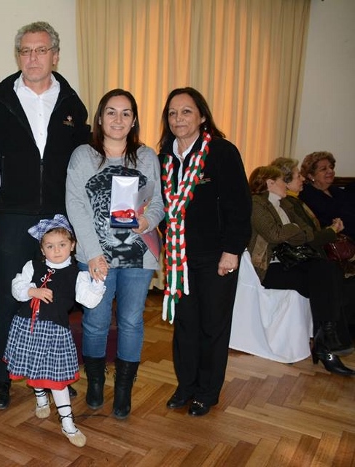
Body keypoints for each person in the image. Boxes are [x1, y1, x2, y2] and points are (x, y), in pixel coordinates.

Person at [0, 21, 89, 410]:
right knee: (10, 297)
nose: (33, 58)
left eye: (41, 50)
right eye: (26, 51)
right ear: (18, 56)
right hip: (10, 215)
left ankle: (53, 374)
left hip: (58, 219)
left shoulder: (73, 104)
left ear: (55, 56)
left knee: (56, 301)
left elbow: (81, 164)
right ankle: (1, 377)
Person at [66, 89, 163, 419]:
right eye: (111, 112)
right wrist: (92, 254)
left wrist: (148, 220)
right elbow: (75, 205)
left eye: (125, 113)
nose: (118, 119)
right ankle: (95, 383)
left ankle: (123, 390)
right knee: (94, 321)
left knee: (132, 321)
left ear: (134, 120)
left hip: (139, 254)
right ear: (100, 118)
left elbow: (159, 204)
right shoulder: (84, 156)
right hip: (96, 256)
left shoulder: (147, 156)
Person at [158, 87, 252, 417]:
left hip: (216, 257)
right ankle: (186, 386)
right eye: (172, 113)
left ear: (201, 116)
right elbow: (161, 209)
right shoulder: (164, 158)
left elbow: (240, 205)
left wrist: (232, 251)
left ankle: (207, 392)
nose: (178, 118)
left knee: (213, 325)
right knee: (185, 324)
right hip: (179, 258)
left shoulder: (221, 152)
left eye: (186, 111)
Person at [4, 215, 105, 447]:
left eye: (62, 245)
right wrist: (32, 291)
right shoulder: (33, 266)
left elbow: (88, 300)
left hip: (55, 333)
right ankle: (40, 397)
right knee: (33, 365)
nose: (56, 250)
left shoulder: (77, 276)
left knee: (57, 380)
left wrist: (98, 283)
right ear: (42, 248)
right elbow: (17, 286)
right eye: (50, 246)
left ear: (72, 246)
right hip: (26, 326)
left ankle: (67, 422)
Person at [247, 166, 354, 376]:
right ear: (270, 183)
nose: (285, 184)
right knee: (326, 282)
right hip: (270, 267)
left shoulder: (287, 203)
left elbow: (307, 233)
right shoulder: (256, 203)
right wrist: (296, 230)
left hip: (294, 262)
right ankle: (327, 345)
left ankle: (325, 342)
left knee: (328, 270)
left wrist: (296, 231)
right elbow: (276, 234)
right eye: (281, 180)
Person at [270, 157, 354, 349]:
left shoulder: (295, 202)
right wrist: (332, 231)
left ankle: (331, 337)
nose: (302, 180)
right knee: (328, 272)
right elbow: (303, 236)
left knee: (332, 273)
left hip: (309, 254)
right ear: (284, 181)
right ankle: (329, 338)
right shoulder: (287, 203)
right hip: (292, 259)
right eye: (298, 176)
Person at [299, 151, 355, 239]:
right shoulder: (307, 195)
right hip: (338, 240)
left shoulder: (336, 190)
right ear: (311, 176)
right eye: (323, 169)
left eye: (331, 167)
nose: (330, 171)